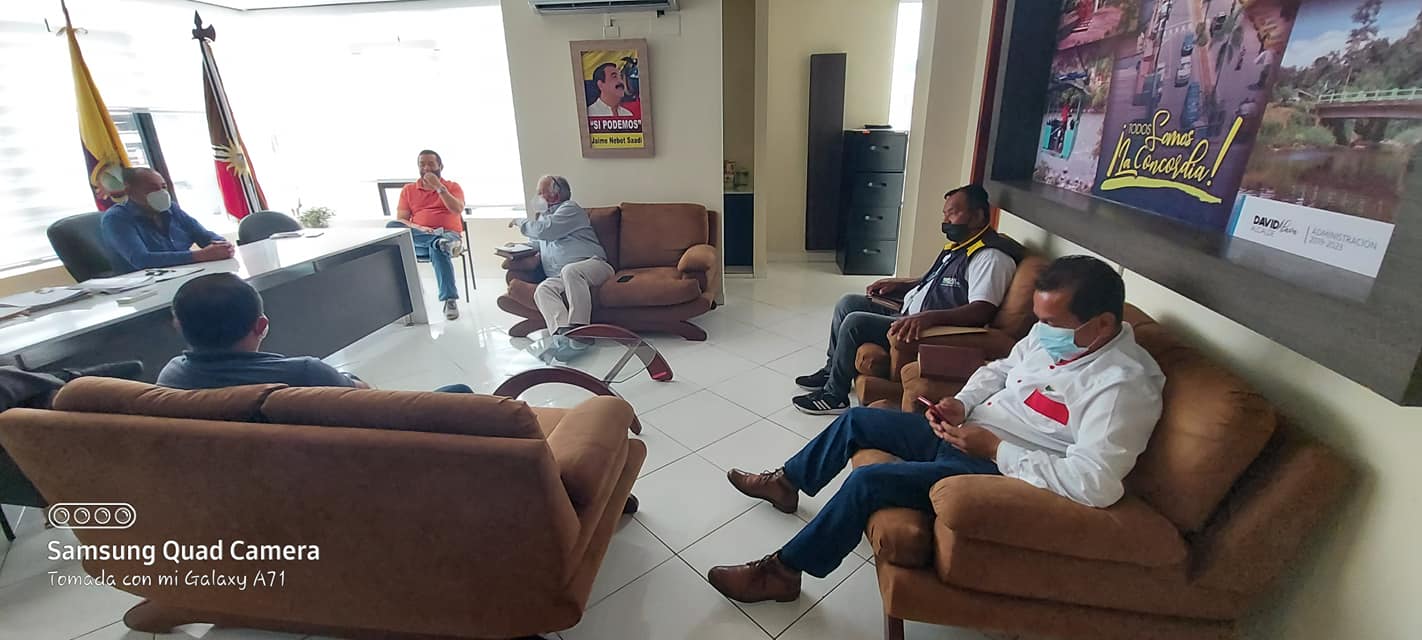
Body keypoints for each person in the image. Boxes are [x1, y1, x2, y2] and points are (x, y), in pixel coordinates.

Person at [709, 255, 1165, 603]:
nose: (1041, 332)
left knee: (868, 482)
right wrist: (961, 403)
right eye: (1038, 319)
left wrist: (995, 448)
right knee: (856, 419)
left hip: (1002, 471)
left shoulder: (1122, 387)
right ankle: (787, 483)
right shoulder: (1063, 338)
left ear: (1102, 325)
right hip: (968, 433)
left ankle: (784, 573)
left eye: (1050, 323)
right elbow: (1000, 369)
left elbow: (1096, 484)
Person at [792, 185, 1022, 415]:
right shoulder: (962, 246)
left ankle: (834, 396)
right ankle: (830, 371)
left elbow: (981, 310)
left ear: (978, 216)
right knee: (848, 303)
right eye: (944, 214)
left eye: (952, 214)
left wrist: (927, 318)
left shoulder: (990, 257)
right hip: (909, 312)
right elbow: (933, 282)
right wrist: (902, 285)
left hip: (924, 328)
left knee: (855, 322)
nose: (945, 221)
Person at [157, 273, 472, 394]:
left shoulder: (171, 379)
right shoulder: (303, 373)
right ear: (261, 326)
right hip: (365, 464)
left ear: (178, 325)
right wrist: (350, 382)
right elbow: (370, 402)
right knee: (458, 392)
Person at [513, 175, 612, 357]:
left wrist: (521, 222)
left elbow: (547, 231)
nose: (537, 197)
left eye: (540, 193)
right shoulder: (543, 219)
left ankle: (581, 332)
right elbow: (536, 243)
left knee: (570, 270)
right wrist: (514, 249)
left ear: (555, 195)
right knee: (543, 289)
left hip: (594, 266)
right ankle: (563, 337)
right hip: (562, 277)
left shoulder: (570, 209)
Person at [100, 167, 234, 272]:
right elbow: (141, 260)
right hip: (144, 287)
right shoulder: (116, 218)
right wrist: (200, 256)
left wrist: (222, 245)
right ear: (129, 191)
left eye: (163, 187)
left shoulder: (172, 209)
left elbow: (203, 235)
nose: (161, 193)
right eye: (152, 189)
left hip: (187, 274)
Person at [386, 150, 466, 321]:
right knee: (392, 226)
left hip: (449, 235)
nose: (426, 168)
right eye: (422, 164)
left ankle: (449, 300)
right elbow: (401, 220)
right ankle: (438, 242)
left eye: (431, 164)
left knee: (438, 249)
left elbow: (457, 209)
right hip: (420, 237)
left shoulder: (452, 187)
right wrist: (419, 227)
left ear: (440, 166)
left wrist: (439, 188)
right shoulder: (408, 190)